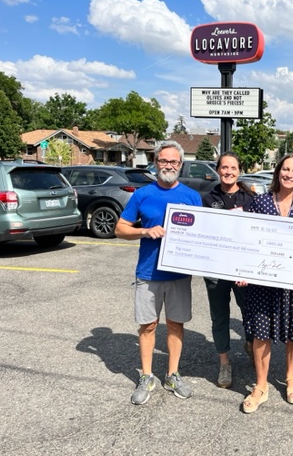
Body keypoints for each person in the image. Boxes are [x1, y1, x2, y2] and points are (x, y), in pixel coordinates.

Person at [115, 140, 202, 405]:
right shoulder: (142, 195)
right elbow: (120, 229)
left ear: (180, 164)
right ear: (155, 163)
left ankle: (173, 374)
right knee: (148, 325)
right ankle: (147, 375)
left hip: (178, 274)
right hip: (148, 273)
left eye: (173, 162)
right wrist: (144, 231)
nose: (168, 165)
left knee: (176, 324)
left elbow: (203, 234)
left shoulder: (191, 196)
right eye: (163, 161)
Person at [241, 153, 293, 413]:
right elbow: (248, 238)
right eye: (285, 169)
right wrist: (243, 270)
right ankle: (261, 385)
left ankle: (290, 377)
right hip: (263, 279)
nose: (289, 174)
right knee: (261, 331)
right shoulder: (260, 201)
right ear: (278, 172)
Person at [202, 152, 255, 389]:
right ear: (218, 170)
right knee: (219, 317)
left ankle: (251, 344)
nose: (228, 172)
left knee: (251, 313)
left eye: (233, 168)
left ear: (239, 171)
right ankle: (224, 362)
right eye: (224, 167)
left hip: (243, 270)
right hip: (216, 268)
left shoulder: (251, 199)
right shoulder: (206, 199)